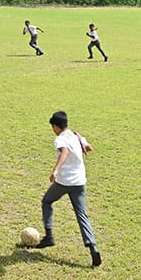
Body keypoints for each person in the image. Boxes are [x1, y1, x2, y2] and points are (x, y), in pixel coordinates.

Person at [34, 111, 102, 268]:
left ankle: (49, 236)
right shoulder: (76, 135)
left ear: (56, 126)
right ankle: (93, 246)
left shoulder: (60, 139)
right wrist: (82, 150)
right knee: (82, 214)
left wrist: (56, 170)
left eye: (52, 127)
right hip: (80, 182)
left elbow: (64, 152)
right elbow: (89, 147)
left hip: (65, 182)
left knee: (47, 201)